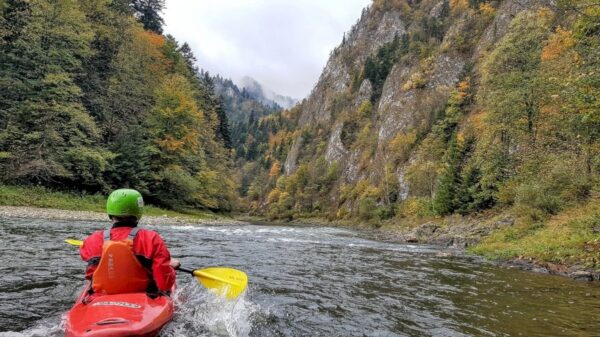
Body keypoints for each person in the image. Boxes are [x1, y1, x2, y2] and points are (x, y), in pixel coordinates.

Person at [80, 188, 180, 295]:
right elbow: (165, 284)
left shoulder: (92, 239)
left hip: (101, 296)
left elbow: (87, 259)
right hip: (143, 297)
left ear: (110, 212)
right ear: (138, 211)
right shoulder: (151, 238)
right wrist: (170, 267)